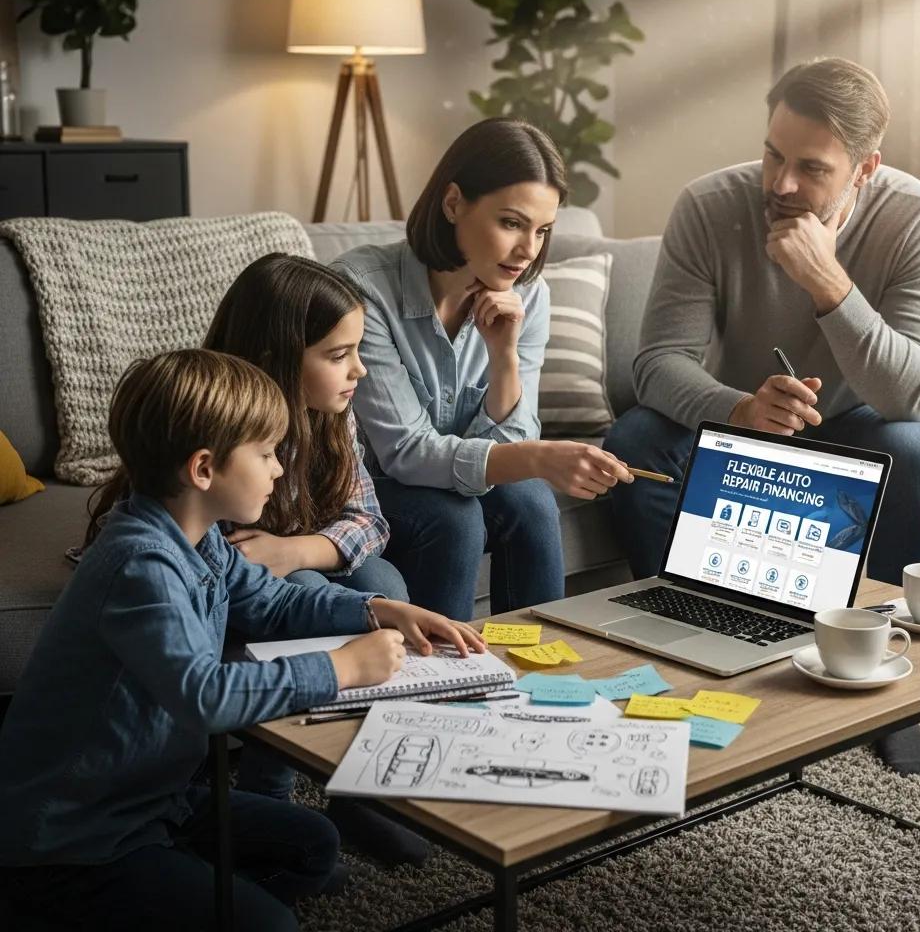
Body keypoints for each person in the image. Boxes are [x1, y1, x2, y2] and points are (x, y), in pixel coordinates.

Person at [0, 349, 485, 932]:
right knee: (275, 925)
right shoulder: (139, 564)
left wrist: (378, 609)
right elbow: (205, 696)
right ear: (203, 469)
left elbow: (276, 601)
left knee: (314, 845)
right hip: (76, 838)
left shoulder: (197, 539)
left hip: (157, 803)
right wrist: (342, 668)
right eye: (265, 454)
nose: (279, 469)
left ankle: (181, 884)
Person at [604, 58, 920, 774]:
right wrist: (738, 407)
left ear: (865, 169)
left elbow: (913, 393)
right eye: (773, 154)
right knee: (634, 438)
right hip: (739, 422)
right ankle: (694, 642)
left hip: (860, 429)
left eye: (812, 168)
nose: (781, 184)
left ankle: (888, 681)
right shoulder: (710, 204)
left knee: (918, 449)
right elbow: (657, 363)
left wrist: (827, 281)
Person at [333, 117, 633, 621]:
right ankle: (445, 679)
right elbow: (405, 453)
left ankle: (537, 675)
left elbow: (514, 443)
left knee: (532, 500)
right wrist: (537, 456)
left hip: (449, 481)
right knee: (456, 516)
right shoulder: (363, 289)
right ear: (453, 204)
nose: (528, 250)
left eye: (541, 230)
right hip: (371, 490)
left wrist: (504, 354)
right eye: (512, 223)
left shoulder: (529, 296)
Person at [201, 253, 430, 862]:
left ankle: (366, 790)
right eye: (337, 355)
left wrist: (293, 549)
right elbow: (217, 560)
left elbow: (368, 520)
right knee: (346, 591)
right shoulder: (218, 423)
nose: (358, 370)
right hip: (232, 591)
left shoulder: (334, 414)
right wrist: (286, 563)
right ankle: (269, 796)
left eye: (356, 351)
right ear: (278, 357)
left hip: (290, 563)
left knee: (383, 578)